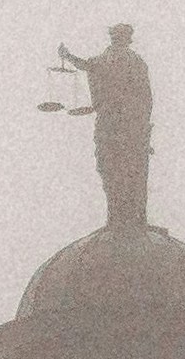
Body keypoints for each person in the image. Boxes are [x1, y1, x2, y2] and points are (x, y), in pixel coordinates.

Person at [51, 24, 154, 228]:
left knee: (114, 168)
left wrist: (68, 56)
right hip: (128, 126)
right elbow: (147, 98)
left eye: (119, 37)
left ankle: (122, 218)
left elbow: (87, 65)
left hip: (116, 125)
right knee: (126, 169)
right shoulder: (132, 62)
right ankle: (127, 217)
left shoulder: (113, 61)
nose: (118, 41)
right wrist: (143, 124)